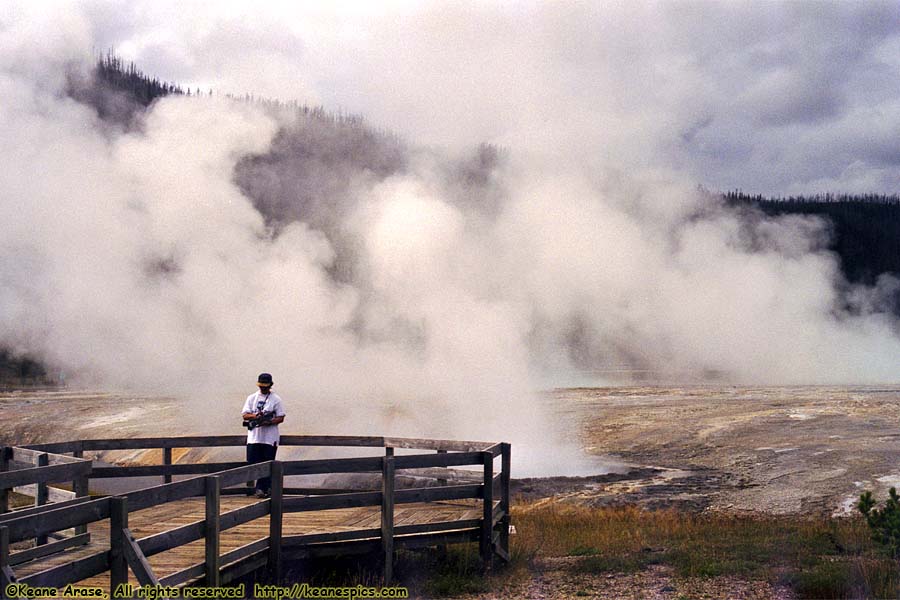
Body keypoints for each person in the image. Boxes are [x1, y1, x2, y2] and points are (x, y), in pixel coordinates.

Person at [241, 372, 286, 498]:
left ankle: (261, 489)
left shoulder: (276, 399)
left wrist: (269, 422)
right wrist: (256, 417)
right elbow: (245, 414)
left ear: (270, 385)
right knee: (253, 463)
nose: (263, 388)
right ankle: (265, 487)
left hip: (269, 438)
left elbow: (281, 417)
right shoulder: (251, 398)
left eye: (265, 386)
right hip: (254, 437)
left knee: (267, 464)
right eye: (261, 386)